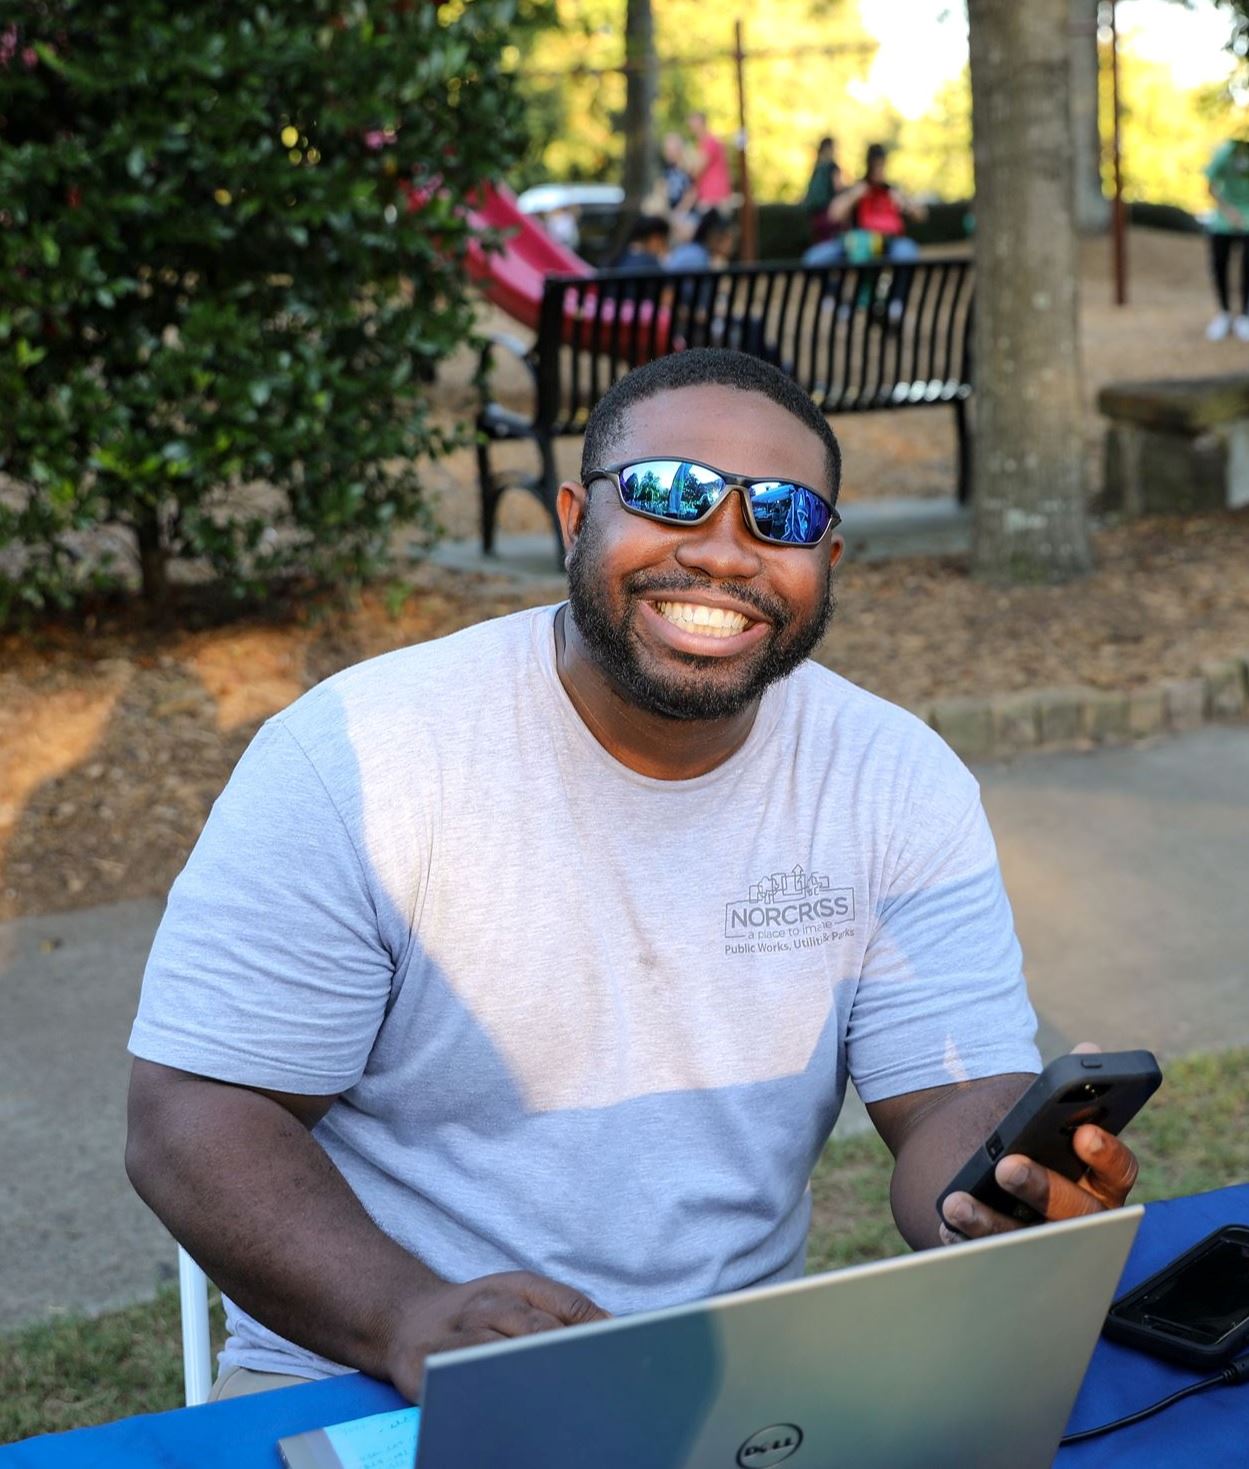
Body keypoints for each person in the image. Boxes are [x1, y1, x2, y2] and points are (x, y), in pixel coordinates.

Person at [126, 348, 1141, 1404]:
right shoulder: (362, 757)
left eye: (780, 516)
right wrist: (404, 1313)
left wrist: (998, 1195)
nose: (723, 550)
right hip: (366, 1368)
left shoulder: (893, 776)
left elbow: (946, 1100)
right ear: (575, 518)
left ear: (828, 557)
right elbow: (193, 1111)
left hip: (714, 1384)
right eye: (668, 493)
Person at [1202, 138, 1249, 341]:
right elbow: (1209, 183)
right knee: (1219, 263)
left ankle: (1245, 315)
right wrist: (1228, 211)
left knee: (1247, 266)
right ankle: (1224, 313)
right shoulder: (1228, 152)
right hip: (1223, 221)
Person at [688, 110, 733, 213]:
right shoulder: (702, 143)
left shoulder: (709, 142)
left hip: (713, 197)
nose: (692, 128)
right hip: (711, 195)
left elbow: (697, 170)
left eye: (694, 123)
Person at [802, 135, 843, 247]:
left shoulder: (817, 167)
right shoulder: (832, 167)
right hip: (827, 212)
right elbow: (838, 188)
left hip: (814, 215)